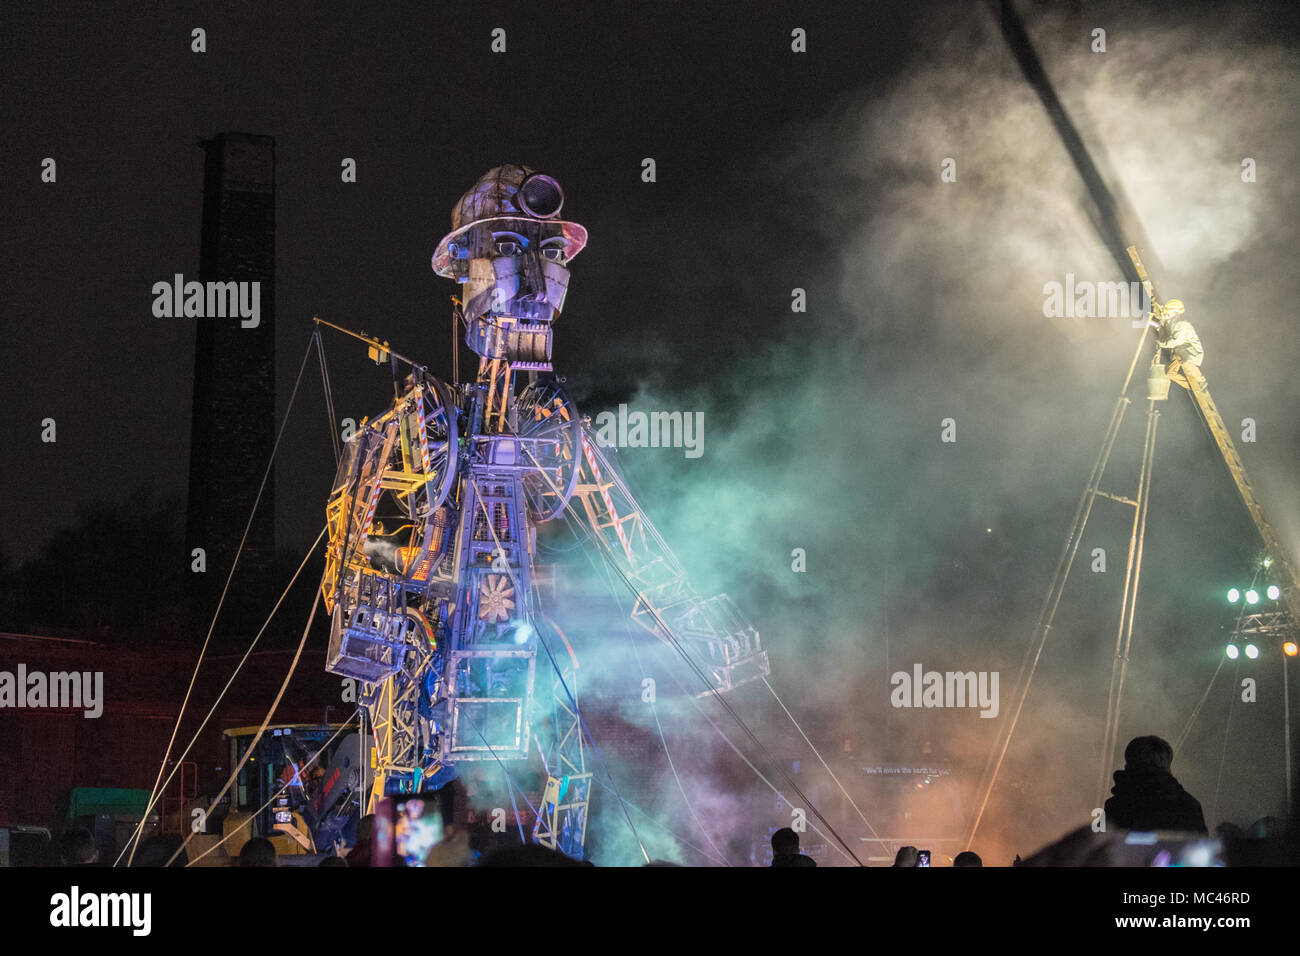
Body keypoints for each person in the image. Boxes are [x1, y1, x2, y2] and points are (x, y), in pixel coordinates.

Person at [1104, 735, 1207, 833]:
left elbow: (1097, 848)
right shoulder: (1190, 807)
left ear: (1128, 765)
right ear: (1167, 767)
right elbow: (1200, 846)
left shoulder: (1115, 806)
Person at [1149, 299, 1203, 390]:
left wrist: (1162, 343)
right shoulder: (1170, 321)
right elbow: (1164, 327)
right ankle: (1192, 388)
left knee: (1187, 363)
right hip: (1178, 352)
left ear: (1175, 313)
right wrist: (1155, 323)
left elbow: (1176, 341)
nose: (1166, 314)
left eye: (1168, 313)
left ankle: (1201, 381)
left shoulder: (1182, 324)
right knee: (1170, 373)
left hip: (1189, 351)